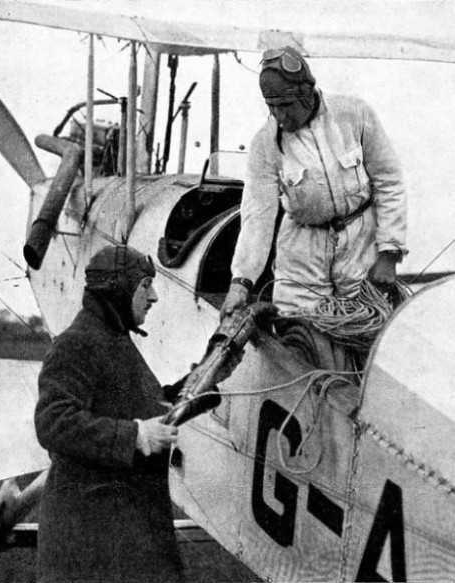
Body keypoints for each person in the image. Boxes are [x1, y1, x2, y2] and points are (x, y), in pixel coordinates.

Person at [35, 244, 217, 583]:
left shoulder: (111, 339)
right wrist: (136, 436)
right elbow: (52, 422)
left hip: (123, 537)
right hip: (94, 546)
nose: (154, 297)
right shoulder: (77, 343)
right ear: (118, 288)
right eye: (145, 285)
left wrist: (207, 380)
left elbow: (138, 406)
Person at [221, 46, 407, 319]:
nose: (279, 117)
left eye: (285, 106)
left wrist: (389, 253)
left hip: (359, 245)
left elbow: (389, 181)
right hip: (302, 252)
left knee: (368, 325)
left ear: (307, 93)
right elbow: (257, 216)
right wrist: (241, 283)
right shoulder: (264, 144)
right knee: (298, 332)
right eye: (271, 107)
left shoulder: (355, 114)